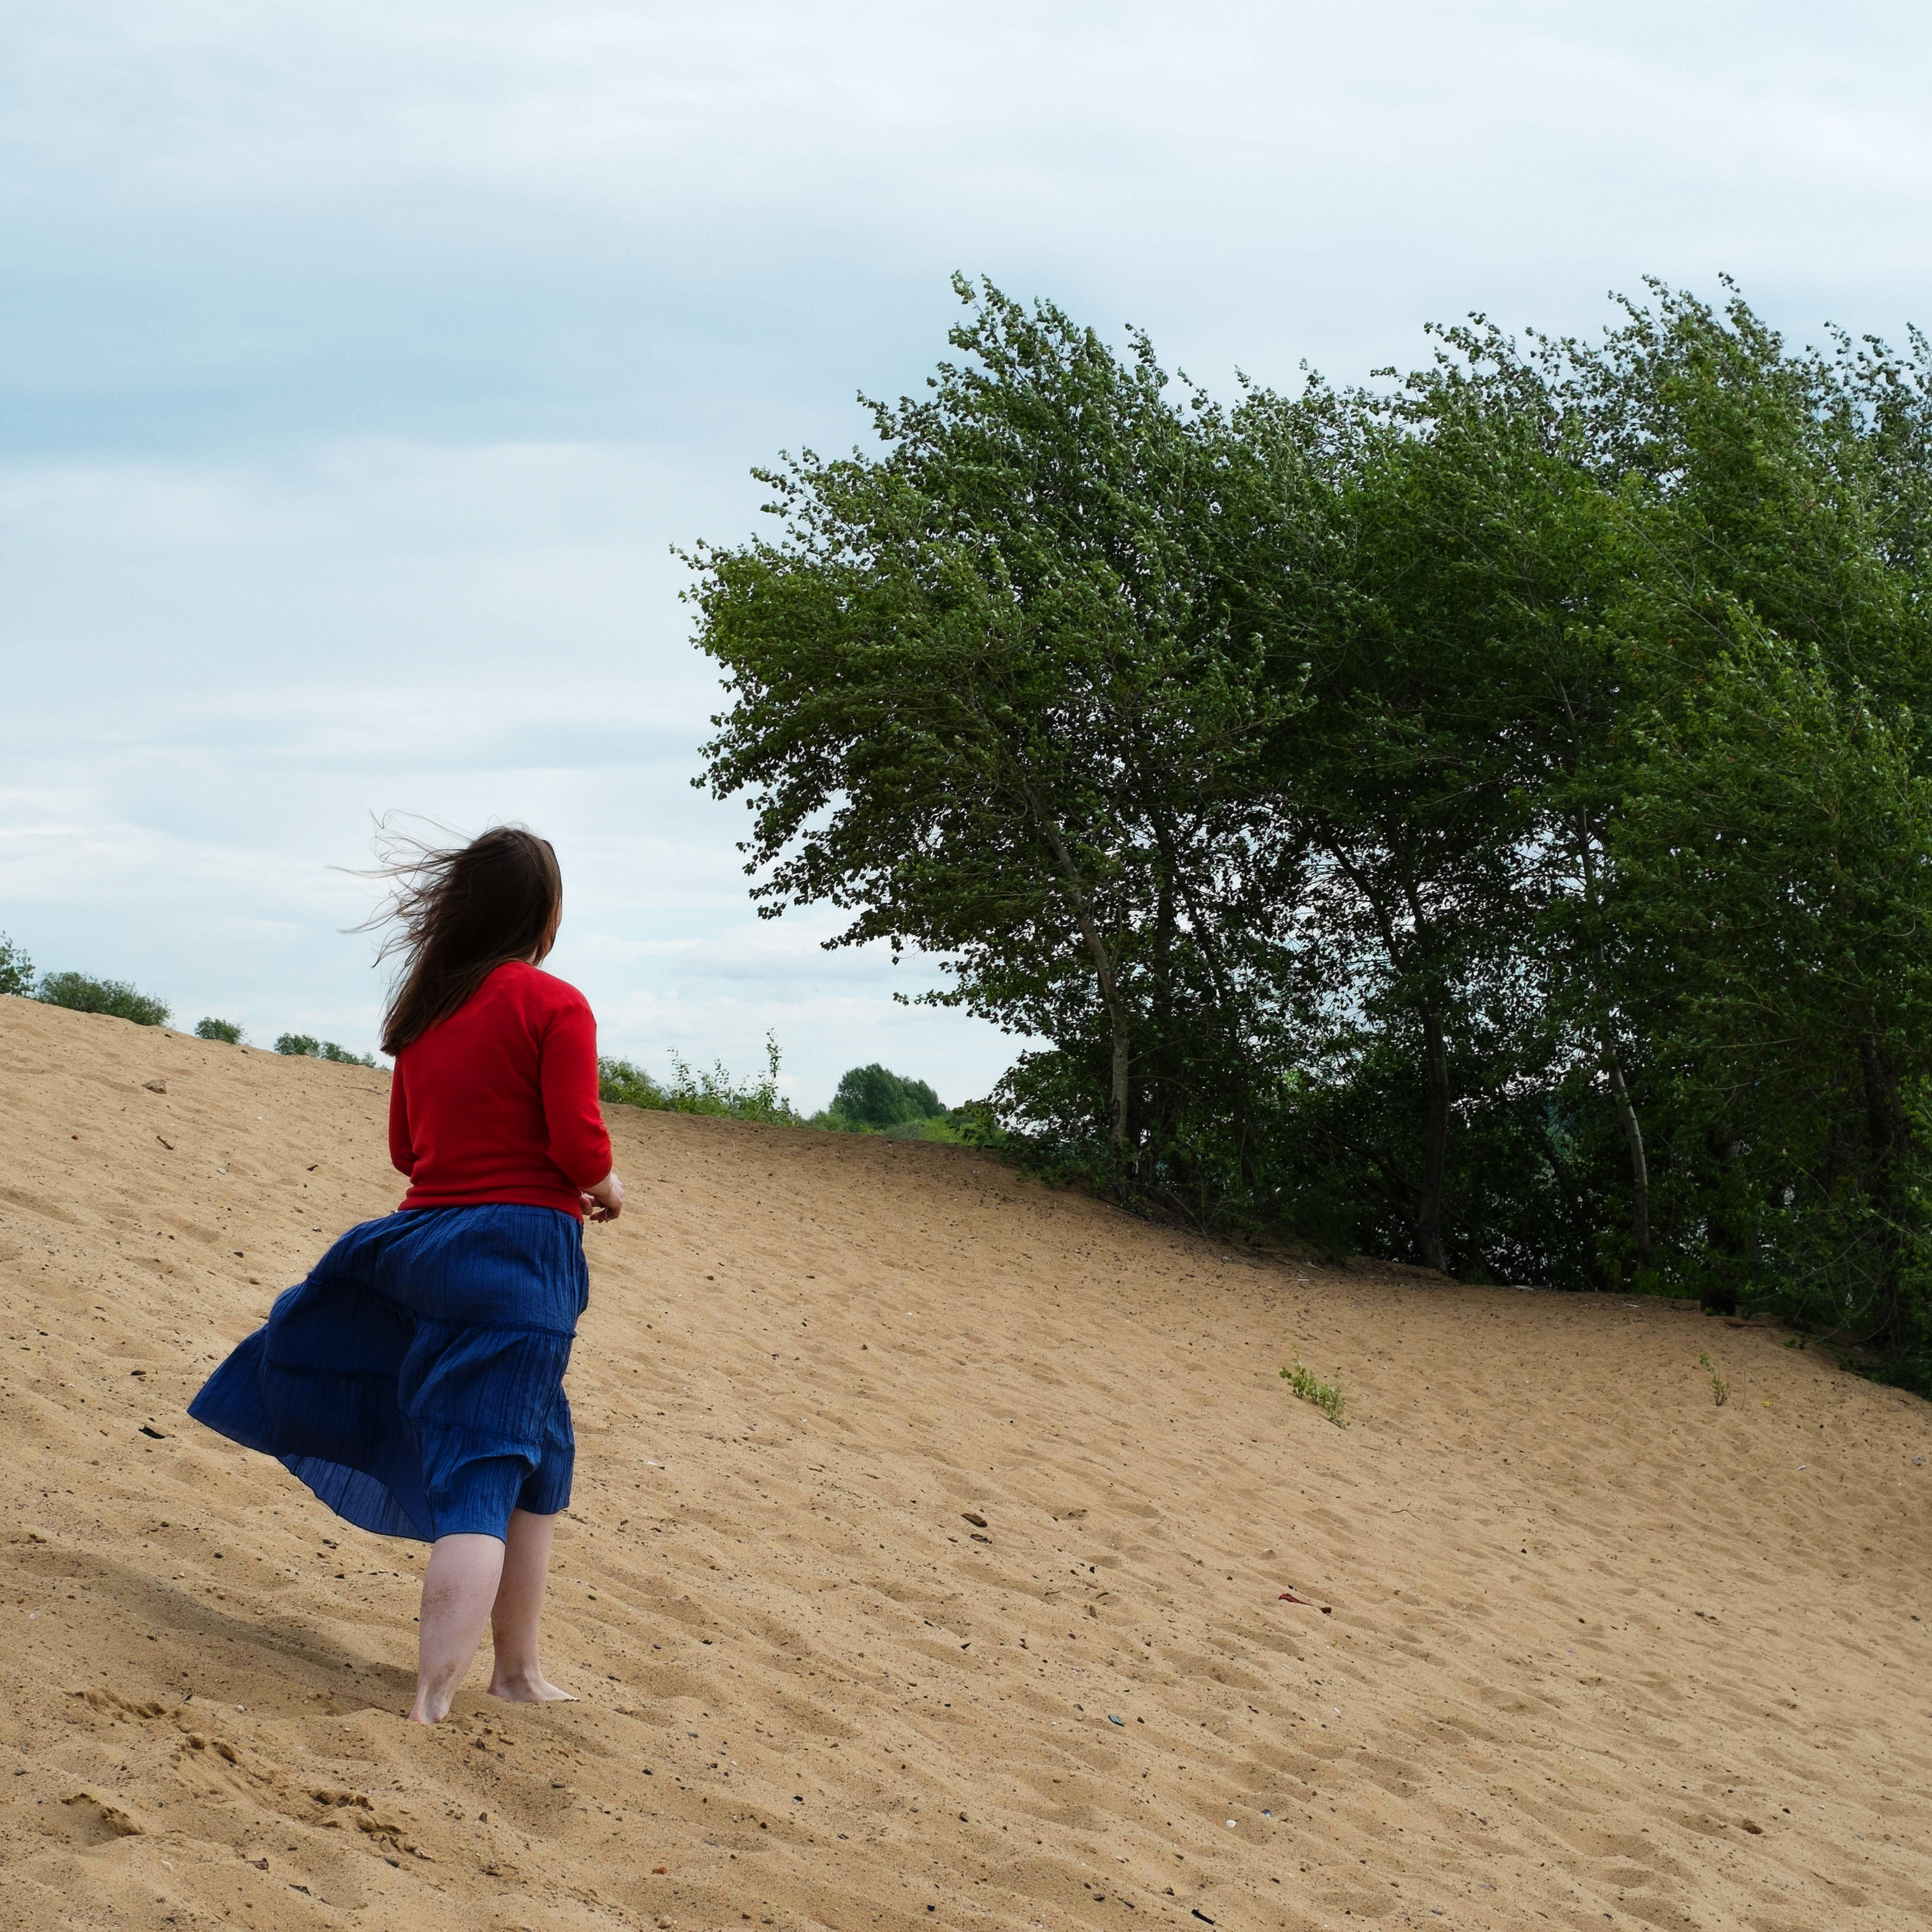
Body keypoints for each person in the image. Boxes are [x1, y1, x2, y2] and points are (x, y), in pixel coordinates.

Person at [189, 825, 623, 1724]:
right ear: (545, 917)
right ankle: (431, 1701)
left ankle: (518, 1670)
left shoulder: (427, 1013)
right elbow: (577, 1142)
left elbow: (405, 1150)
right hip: (518, 1259)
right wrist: (606, 1185)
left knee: (540, 1459)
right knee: (485, 1472)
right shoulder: (557, 1005)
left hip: (426, 1242)